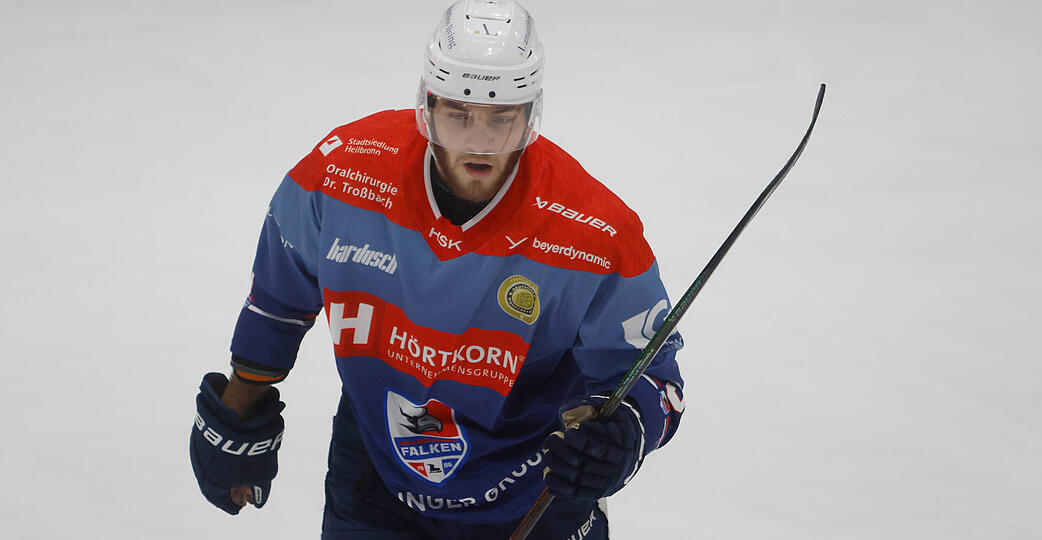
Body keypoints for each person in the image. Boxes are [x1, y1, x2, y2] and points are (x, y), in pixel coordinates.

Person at [189, 1, 685, 538]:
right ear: (427, 106)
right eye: (459, 114)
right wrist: (241, 405)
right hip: (376, 481)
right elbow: (279, 299)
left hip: (534, 494)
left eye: (502, 117)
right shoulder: (338, 176)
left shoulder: (594, 234)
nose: (479, 140)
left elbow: (654, 378)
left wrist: (624, 436)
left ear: (530, 114)